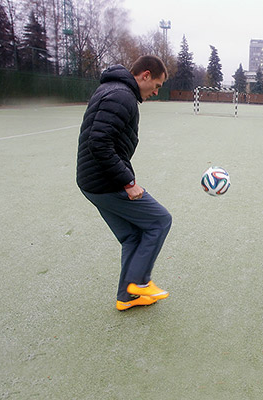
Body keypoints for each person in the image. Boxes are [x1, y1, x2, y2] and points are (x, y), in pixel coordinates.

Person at [76, 55, 172, 311]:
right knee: (160, 221)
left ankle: (126, 297)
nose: (156, 91)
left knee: (132, 236)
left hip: (91, 182)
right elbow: (99, 143)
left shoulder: (113, 89)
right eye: (157, 85)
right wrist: (128, 182)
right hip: (104, 182)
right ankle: (139, 284)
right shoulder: (122, 96)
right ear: (146, 75)